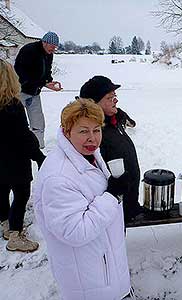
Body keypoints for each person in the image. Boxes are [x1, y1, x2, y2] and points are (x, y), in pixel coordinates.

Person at [32, 98, 134, 300]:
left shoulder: (88, 154)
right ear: (67, 131)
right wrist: (112, 196)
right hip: (89, 281)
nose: (93, 139)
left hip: (104, 268)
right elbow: (74, 231)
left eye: (97, 130)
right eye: (83, 131)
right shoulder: (58, 177)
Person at [80, 76, 141, 224]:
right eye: (109, 97)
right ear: (94, 104)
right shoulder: (94, 134)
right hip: (112, 206)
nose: (115, 100)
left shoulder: (114, 120)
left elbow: (120, 115)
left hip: (127, 199)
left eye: (115, 96)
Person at [0, 59, 45, 252]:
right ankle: (15, 235)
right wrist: (38, 156)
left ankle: (4, 222)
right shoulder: (12, 106)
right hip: (16, 161)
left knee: (0, 190)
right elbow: (24, 135)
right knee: (21, 195)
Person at [14, 31, 63, 148]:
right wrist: (44, 83)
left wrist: (49, 81)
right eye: (52, 46)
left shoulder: (49, 54)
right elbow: (22, 74)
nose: (54, 49)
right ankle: (14, 146)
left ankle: (37, 148)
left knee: (38, 122)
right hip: (19, 92)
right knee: (16, 121)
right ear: (44, 43)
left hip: (35, 92)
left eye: (55, 47)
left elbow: (47, 71)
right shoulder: (29, 51)